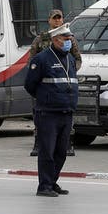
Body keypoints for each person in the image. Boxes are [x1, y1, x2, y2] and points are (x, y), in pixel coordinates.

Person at [25, 24, 79, 197]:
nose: (69, 41)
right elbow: (30, 85)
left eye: (69, 38)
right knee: (47, 151)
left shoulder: (70, 58)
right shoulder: (41, 59)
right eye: (66, 39)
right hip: (48, 113)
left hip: (66, 111)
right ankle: (44, 186)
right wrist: (45, 98)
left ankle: (52, 181)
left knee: (61, 152)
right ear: (56, 40)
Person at [29, 9, 81, 157]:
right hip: (44, 85)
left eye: (60, 18)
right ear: (49, 20)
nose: (57, 21)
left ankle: (68, 143)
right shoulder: (41, 39)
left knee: (67, 113)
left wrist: (70, 72)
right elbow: (32, 60)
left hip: (64, 85)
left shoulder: (69, 39)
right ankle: (38, 143)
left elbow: (77, 58)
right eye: (55, 18)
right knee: (39, 113)